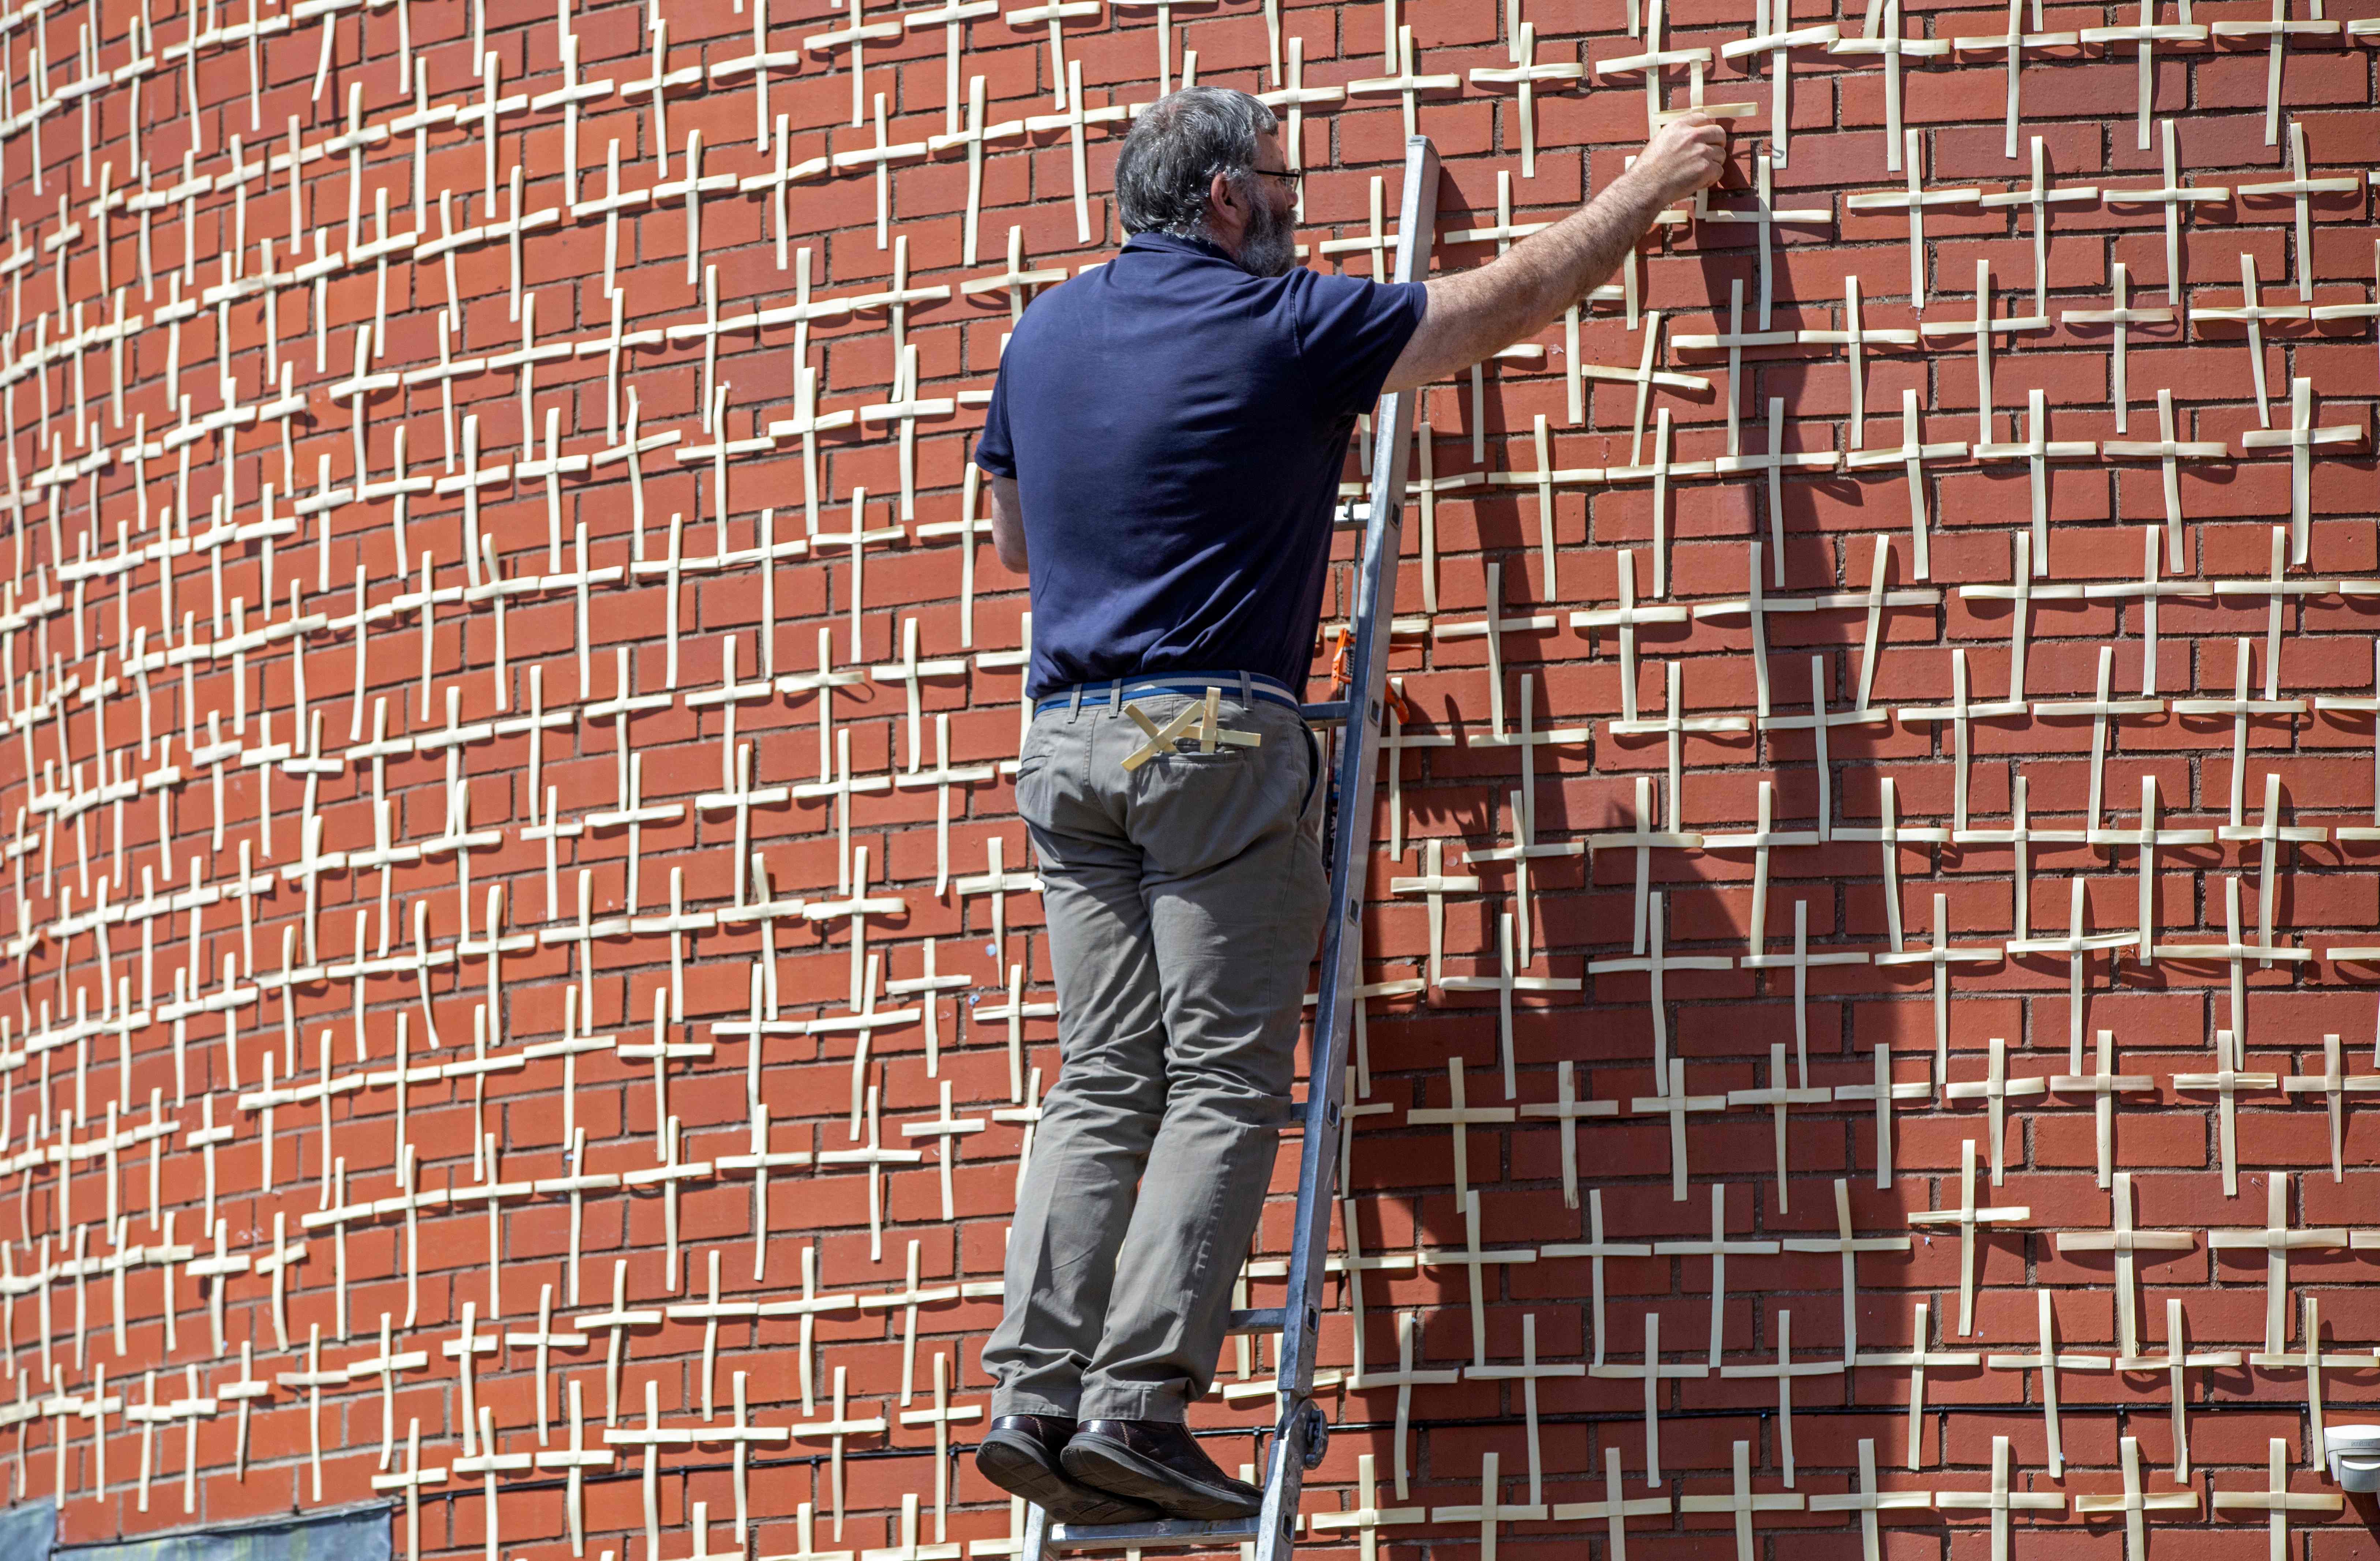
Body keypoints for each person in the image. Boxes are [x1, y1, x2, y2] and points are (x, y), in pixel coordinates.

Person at [966, 86, 1728, 1523]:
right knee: (1221, 1075)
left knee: (1101, 1079)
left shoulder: (1042, 333)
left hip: (1062, 750)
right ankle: (1137, 1404)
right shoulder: (1286, 322)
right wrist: (1646, 187)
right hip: (1209, 740)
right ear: (1222, 201)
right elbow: (1500, 306)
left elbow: (1008, 536)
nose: (1300, 205)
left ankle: (1035, 1390)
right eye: (1282, 181)